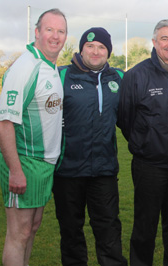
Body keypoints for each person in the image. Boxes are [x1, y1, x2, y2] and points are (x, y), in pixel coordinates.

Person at [117, 19, 168, 266]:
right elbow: (125, 118)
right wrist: (146, 143)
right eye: (165, 38)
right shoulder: (136, 75)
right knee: (145, 228)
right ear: (154, 42)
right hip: (149, 166)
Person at [0, 8, 66, 266]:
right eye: (49, 29)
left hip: (43, 165)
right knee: (19, 233)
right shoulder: (26, 66)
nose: (55, 36)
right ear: (37, 32)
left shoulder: (50, 67)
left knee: (31, 228)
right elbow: (4, 123)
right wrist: (15, 170)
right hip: (23, 161)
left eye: (61, 31)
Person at [53, 27, 127, 266]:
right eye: (90, 46)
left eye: (102, 47)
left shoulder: (119, 78)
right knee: (71, 233)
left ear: (109, 52)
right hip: (67, 170)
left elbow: (135, 117)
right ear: (81, 49)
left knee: (109, 231)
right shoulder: (61, 76)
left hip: (104, 170)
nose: (96, 51)